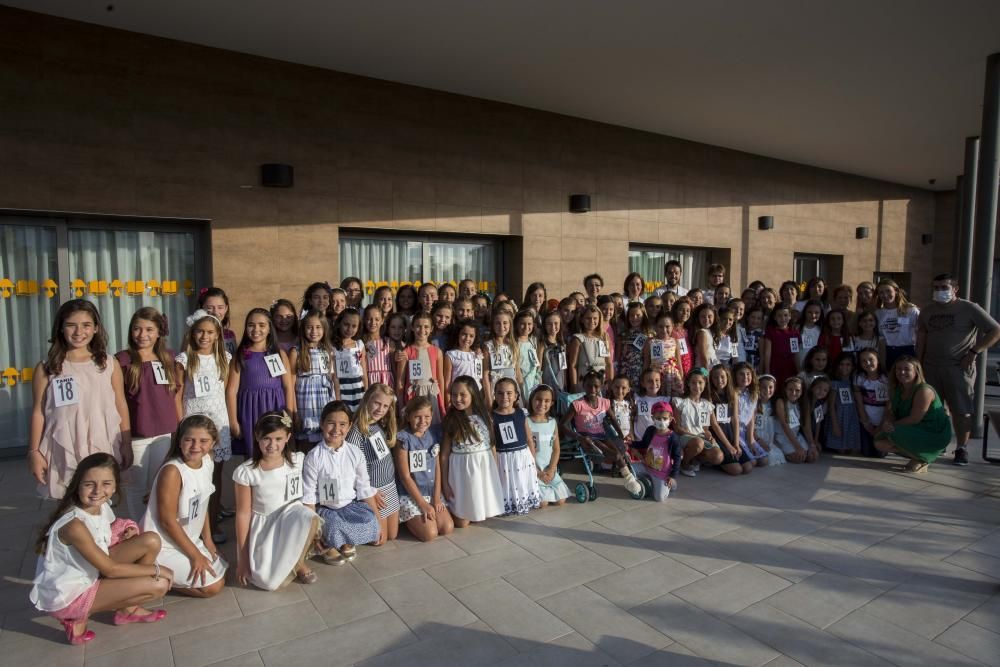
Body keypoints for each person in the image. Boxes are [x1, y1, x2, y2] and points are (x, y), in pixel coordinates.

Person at [30, 453, 169, 646]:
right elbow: (110, 569)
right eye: (89, 484)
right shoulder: (74, 525)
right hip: (72, 593)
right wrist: (158, 570)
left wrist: (128, 529)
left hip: (93, 570)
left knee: (151, 541)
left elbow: (108, 530)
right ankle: (75, 617)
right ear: (77, 485)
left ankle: (127, 610)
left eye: (106, 484)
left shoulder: (100, 506)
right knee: (159, 584)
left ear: (114, 486)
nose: (98, 491)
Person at [28, 299, 131, 500]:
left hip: (100, 440)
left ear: (95, 329)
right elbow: (38, 412)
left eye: (86, 325)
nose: (78, 332)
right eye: (71, 325)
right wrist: (33, 451)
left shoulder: (108, 363)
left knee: (99, 498)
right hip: (64, 442)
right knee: (68, 502)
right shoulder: (46, 368)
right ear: (60, 328)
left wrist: (126, 443)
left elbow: (121, 404)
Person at [917, 273, 1000, 465]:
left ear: (955, 288)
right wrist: (918, 363)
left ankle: (961, 448)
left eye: (944, 287)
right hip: (930, 366)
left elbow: (995, 330)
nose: (939, 291)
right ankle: (939, 442)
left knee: (961, 410)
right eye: (936, 287)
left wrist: (974, 352)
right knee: (934, 408)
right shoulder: (927, 311)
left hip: (957, 367)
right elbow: (922, 337)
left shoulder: (969, 308)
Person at [142, 415, 227, 597]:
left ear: (213, 443)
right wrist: (195, 555)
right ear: (179, 441)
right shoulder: (172, 471)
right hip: (164, 543)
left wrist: (208, 541)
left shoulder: (207, 461)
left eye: (203, 441)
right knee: (213, 587)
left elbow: (203, 503)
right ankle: (149, 571)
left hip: (188, 537)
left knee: (222, 569)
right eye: (189, 440)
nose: (196, 446)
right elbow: (167, 522)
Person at [233, 412, 319, 589]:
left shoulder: (297, 460)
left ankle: (298, 562)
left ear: (288, 437)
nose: (273, 445)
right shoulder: (247, 471)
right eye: (267, 438)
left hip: (291, 518)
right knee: (269, 583)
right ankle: (279, 560)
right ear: (257, 437)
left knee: (309, 516)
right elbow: (242, 514)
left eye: (278, 438)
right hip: (265, 525)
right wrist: (242, 559)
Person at [115, 307, 181, 520]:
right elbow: (118, 401)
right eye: (137, 329)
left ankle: (156, 528)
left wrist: (179, 428)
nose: (142, 335)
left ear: (159, 332)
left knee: (159, 483)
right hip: (137, 435)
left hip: (165, 433)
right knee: (136, 489)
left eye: (149, 329)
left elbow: (176, 395)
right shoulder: (123, 360)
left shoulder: (169, 357)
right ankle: (138, 529)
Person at [174, 309, 233, 544]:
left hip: (217, 421)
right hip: (193, 420)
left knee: (214, 475)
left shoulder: (225, 359)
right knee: (191, 473)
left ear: (217, 335)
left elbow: (225, 392)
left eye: (209, 332)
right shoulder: (184, 360)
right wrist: (179, 425)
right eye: (199, 331)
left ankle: (212, 519)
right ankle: (189, 524)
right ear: (192, 333)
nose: (204, 336)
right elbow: (178, 395)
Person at [302, 401, 380, 565]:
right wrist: (314, 531)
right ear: (322, 424)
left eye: (342, 424)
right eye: (331, 423)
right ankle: (327, 544)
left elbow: (364, 487)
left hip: (349, 507)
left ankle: (345, 542)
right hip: (326, 509)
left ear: (350, 426)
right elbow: (308, 496)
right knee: (332, 524)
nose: (336, 430)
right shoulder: (314, 457)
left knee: (370, 519)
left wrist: (378, 522)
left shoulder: (354, 452)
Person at [226, 309, 295, 459]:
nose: (256, 329)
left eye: (262, 325)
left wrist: (288, 414)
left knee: (277, 452)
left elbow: (288, 387)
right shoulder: (240, 355)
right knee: (253, 456)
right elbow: (231, 391)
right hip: (250, 411)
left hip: (275, 408)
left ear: (270, 328)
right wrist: (233, 422)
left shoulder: (279, 354)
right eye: (251, 325)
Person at [440, 376, 504, 527]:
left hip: (482, 468)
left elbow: (492, 445)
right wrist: (445, 484)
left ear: (473, 394)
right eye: (454, 394)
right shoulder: (451, 420)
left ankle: (476, 509)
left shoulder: (485, 416)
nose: (457, 398)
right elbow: (444, 455)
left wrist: (495, 472)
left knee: (478, 512)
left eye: (463, 395)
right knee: (462, 522)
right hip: (461, 472)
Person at [874, 357, 953, 473]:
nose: (902, 372)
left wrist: (892, 425)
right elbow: (890, 411)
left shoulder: (924, 390)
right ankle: (918, 457)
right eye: (898, 369)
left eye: (907, 369)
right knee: (879, 442)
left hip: (933, 432)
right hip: (913, 429)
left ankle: (925, 458)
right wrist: (887, 422)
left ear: (916, 371)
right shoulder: (897, 388)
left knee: (893, 432)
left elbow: (915, 418)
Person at [394, 397, 454, 541]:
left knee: (447, 528)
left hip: (432, 492)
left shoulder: (433, 435)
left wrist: (436, 498)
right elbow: (405, 477)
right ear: (408, 417)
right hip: (413, 495)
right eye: (417, 417)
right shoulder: (403, 439)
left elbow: (437, 467)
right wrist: (422, 504)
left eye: (426, 417)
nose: (422, 421)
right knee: (430, 534)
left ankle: (428, 513)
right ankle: (409, 519)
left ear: (432, 416)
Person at [346, 384, 400, 544]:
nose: (380, 409)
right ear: (366, 400)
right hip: (375, 491)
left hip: (390, 487)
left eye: (385, 406)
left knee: (392, 535)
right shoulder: (357, 431)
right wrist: (370, 492)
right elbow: (352, 470)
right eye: (377, 403)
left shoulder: (378, 425)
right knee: (380, 540)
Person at [289, 310, 338, 450]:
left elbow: (334, 379)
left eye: (318, 327)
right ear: (303, 329)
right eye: (309, 327)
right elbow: (291, 384)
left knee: (326, 442)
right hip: (305, 405)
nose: (314, 331)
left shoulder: (329, 350)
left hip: (325, 403)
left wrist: (337, 404)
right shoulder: (296, 352)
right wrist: (294, 412)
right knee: (306, 445)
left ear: (324, 329)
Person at [491, 378, 541, 515]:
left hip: (521, 455)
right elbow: (493, 443)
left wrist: (532, 458)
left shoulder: (521, 413)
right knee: (507, 483)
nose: (505, 397)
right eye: (500, 393)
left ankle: (522, 502)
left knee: (520, 480)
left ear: (516, 395)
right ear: (494, 394)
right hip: (504, 457)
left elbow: (529, 438)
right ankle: (507, 505)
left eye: (509, 393)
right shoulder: (492, 417)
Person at [397, 312, 446, 422]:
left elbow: (440, 378)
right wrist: (400, 405)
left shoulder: (437, 351)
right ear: (413, 328)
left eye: (426, 327)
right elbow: (401, 380)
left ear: (431, 328)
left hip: (432, 395)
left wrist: (442, 402)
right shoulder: (407, 352)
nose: (422, 330)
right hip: (414, 396)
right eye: (418, 326)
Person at [526, 385, 570, 507]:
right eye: (538, 399)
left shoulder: (552, 422)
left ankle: (549, 486)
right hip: (534, 470)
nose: (542, 404)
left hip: (548, 469)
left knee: (561, 501)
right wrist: (538, 473)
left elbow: (556, 449)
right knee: (542, 503)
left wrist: (551, 469)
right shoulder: (527, 422)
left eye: (546, 401)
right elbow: (526, 452)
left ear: (551, 403)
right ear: (532, 400)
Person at [630, 402, 683, 501]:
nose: (661, 421)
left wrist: (672, 476)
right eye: (658, 418)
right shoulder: (651, 431)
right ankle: (649, 479)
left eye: (665, 418)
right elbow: (643, 444)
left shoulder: (673, 438)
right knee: (630, 469)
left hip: (662, 473)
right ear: (653, 418)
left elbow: (677, 458)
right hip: (647, 466)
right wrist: (631, 443)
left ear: (670, 419)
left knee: (659, 498)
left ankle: (672, 484)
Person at [875, 279, 919, 369]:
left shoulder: (911, 310)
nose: (885, 295)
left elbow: (920, 332)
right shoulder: (878, 313)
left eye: (888, 291)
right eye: (881, 292)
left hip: (907, 350)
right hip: (887, 351)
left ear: (896, 291)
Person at [567, 304, 612, 392]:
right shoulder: (578, 339)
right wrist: (574, 385)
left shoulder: (603, 337)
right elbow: (573, 365)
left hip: (600, 380)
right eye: (588, 318)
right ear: (582, 319)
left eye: (595, 318)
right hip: (584, 380)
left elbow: (608, 363)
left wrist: (610, 381)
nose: (592, 321)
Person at [333, 308, 369, 412]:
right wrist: (338, 398)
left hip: (359, 388)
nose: (349, 329)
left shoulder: (359, 344)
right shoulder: (333, 347)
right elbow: (335, 377)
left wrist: (366, 393)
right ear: (339, 323)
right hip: (343, 388)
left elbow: (364, 373)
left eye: (354, 326)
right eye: (346, 324)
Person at [198, 287, 237, 357]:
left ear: (226, 308)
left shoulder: (230, 335)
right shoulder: (195, 335)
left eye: (220, 307)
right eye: (210, 307)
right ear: (202, 308)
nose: (216, 312)